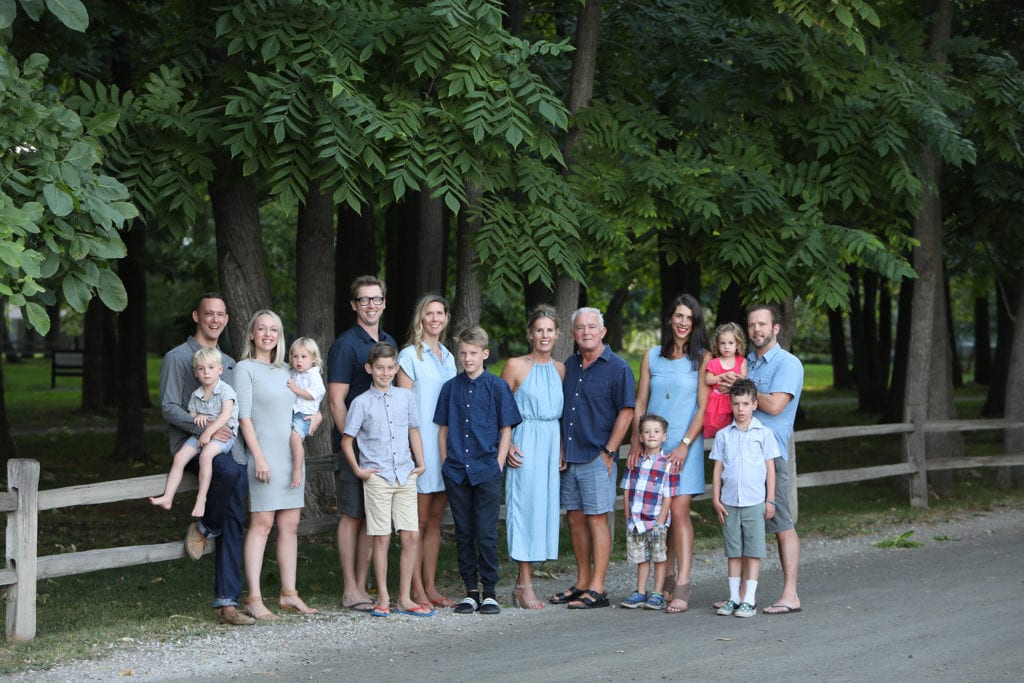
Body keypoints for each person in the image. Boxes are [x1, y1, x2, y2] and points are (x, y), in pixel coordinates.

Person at [159, 292, 252, 625]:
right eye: (208, 314)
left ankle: (228, 602)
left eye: (221, 315)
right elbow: (169, 408)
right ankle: (204, 525)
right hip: (193, 444)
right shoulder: (177, 358)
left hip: (228, 448)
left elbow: (235, 409)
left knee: (235, 517)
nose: (215, 319)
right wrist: (206, 431)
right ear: (197, 317)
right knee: (226, 476)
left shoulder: (228, 362)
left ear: (226, 320)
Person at [716, 304, 804, 615]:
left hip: (769, 455)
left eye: (763, 324)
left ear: (776, 328)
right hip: (739, 451)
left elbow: (777, 405)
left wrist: (739, 389)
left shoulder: (788, 364)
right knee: (740, 525)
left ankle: (790, 594)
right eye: (752, 324)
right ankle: (740, 594)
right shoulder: (745, 362)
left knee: (780, 522)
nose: (757, 330)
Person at [235, 310, 320, 619]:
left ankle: (288, 594)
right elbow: (243, 417)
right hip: (263, 456)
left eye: (274, 329)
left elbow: (308, 405)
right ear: (252, 335)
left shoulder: (290, 370)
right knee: (262, 525)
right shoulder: (245, 369)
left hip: (290, 459)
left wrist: (317, 417)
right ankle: (254, 598)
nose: (268, 334)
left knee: (290, 525)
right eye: (262, 329)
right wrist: (257, 456)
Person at [628, 293, 709, 614]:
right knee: (657, 517)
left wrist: (684, 445)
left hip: (684, 448)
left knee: (678, 512)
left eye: (689, 318)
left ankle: (684, 584)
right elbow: (640, 403)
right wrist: (636, 441)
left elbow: (703, 407)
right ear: (670, 319)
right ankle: (667, 578)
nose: (683, 323)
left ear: (696, 323)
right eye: (678, 316)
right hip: (652, 446)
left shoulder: (703, 359)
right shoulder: (651, 356)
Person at [551, 307, 635, 610]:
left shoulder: (618, 367)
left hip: (598, 456)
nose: (586, 332)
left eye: (591, 327)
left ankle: (598, 587)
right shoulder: (568, 366)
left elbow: (627, 410)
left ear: (603, 332)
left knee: (597, 519)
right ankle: (583, 581)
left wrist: (610, 451)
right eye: (580, 328)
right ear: (573, 334)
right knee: (574, 518)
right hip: (570, 456)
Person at [434, 327, 522, 615]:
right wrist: (446, 461)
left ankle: (490, 592)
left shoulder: (497, 387)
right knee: (464, 531)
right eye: (463, 353)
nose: (467, 358)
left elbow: (505, 428)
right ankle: (470, 591)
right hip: (457, 470)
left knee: (485, 531)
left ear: (484, 354)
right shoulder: (450, 388)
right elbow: (443, 429)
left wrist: (498, 463)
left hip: (486, 469)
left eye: (473, 353)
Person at [342, 343, 432, 618]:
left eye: (390, 368)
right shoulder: (361, 403)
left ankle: (404, 597)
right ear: (370, 369)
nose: (385, 373)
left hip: (405, 473)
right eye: (379, 368)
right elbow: (348, 440)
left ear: (396, 368)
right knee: (380, 538)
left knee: (411, 535)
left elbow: (414, 431)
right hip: (378, 476)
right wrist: (359, 470)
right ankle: (382, 595)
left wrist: (421, 462)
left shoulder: (406, 397)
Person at [327, 275, 397, 613]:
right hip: (355, 445)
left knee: (373, 516)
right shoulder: (345, 345)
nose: (371, 305)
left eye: (376, 299)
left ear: (384, 303)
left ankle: (363, 585)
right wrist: (349, 444)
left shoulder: (388, 341)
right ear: (354, 305)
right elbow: (336, 401)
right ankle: (349, 588)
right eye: (363, 300)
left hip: (382, 446)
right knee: (352, 514)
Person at [500, 305, 565, 610]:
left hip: (550, 444)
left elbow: (563, 415)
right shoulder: (515, 366)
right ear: (530, 333)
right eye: (539, 330)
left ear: (556, 335)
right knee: (523, 508)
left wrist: (562, 446)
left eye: (549, 330)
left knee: (543, 510)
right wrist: (507, 443)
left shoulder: (560, 369)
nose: (544, 335)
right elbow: (498, 408)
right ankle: (523, 583)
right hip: (524, 442)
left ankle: (525, 581)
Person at [396, 295, 457, 609]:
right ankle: (415, 588)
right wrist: (412, 451)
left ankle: (431, 586)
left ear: (446, 318)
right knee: (417, 521)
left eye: (440, 313)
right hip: (420, 444)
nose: (434, 318)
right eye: (428, 313)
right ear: (420, 318)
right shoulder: (409, 356)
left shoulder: (449, 356)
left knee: (435, 520)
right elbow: (404, 408)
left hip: (445, 445)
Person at [710, 379, 778, 618]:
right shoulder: (723, 436)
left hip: (755, 501)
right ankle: (734, 597)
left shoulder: (764, 434)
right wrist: (716, 498)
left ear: (755, 405)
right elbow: (718, 468)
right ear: (731, 404)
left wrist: (770, 500)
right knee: (734, 551)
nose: (740, 409)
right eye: (736, 403)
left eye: (745, 404)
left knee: (754, 550)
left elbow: (770, 468)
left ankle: (749, 598)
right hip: (729, 502)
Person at [150, 347, 239, 518]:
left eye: (211, 368)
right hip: (199, 436)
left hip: (224, 436)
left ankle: (201, 499)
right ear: (195, 373)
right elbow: (191, 416)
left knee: (206, 456)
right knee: (180, 457)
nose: (206, 372)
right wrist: (198, 416)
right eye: (201, 369)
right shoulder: (196, 394)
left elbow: (226, 415)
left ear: (220, 369)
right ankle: (168, 497)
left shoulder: (226, 390)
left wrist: (208, 432)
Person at [618, 414, 673, 611]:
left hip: (655, 521)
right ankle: (641, 592)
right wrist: (627, 516)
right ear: (640, 437)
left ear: (664, 437)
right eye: (647, 432)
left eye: (656, 432)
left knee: (659, 557)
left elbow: (668, 496)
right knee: (641, 557)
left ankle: (657, 593)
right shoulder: (634, 462)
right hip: (636, 520)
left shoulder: (667, 464)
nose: (652, 435)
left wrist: (660, 521)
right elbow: (626, 491)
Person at [287, 337, 326, 489]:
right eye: (295, 356)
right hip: (295, 412)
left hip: (305, 415)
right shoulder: (296, 373)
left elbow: (314, 394)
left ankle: (297, 470)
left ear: (314, 359)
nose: (299, 360)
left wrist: (295, 389)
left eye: (304, 357)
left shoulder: (313, 375)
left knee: (295, 439)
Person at [703, 322, 748, 439]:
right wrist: (722, 376)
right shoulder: (714, 362)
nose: (726, 347)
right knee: (716, 430)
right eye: (722, 343)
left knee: (733, 431)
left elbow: (744, 381)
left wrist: (735, 384)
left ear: (737, 344)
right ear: (717, 345)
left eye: (730, 343)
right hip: (716, 402)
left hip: (734, 400)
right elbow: (708, 380)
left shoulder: (741, 361)